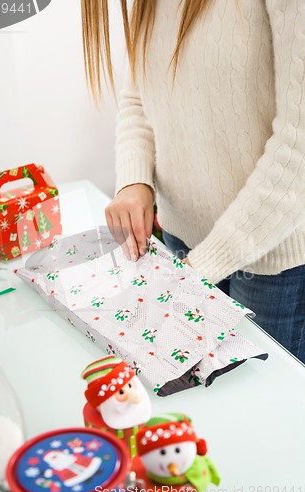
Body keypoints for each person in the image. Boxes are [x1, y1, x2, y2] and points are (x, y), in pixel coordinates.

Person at [81, 0, 305, 364]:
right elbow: (141, 92)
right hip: (182, 244)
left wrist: (202, 268)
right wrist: (134, 181)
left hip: (271, 261)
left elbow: (300, 146)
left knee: (259, 408)